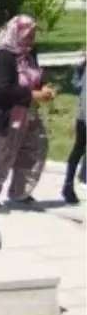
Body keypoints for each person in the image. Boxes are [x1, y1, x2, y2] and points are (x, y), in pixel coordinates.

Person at [0, 15, 55, 209]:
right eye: (29, 34)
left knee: (36, 148)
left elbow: (36, 74)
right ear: (17, 33)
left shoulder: (29, 53)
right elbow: (2, 89)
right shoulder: (3, 56)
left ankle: (20, 192)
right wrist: (34, 95)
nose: (32, 38)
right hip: (2, 115)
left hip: (25, 113)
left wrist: (44, 86)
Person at [68, 56, 87, 204]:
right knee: (78, 149)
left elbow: (77, 85)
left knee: (79, 149)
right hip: (84, 117)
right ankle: (68, 186)